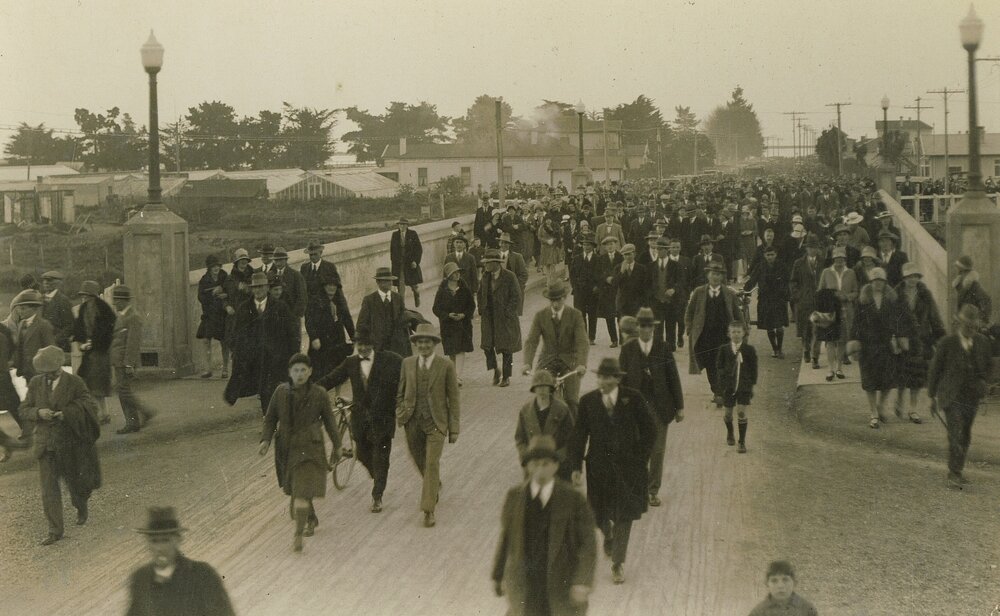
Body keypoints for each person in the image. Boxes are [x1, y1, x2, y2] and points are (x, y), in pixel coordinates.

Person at [567, 357, 656, 585]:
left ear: (617, 379)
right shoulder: (588, 402)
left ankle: (618, 563)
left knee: (624, 514)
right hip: (598, 468)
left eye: (607, 377)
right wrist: (575, 466)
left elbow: (650, 430)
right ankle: (608, 534)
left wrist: (640, 458)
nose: (602, 381)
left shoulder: (633, 399)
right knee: (597, 513)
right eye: (599, 376)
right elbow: (578, 436)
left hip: (628, 469)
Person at [492, 435, 596, 616]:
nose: (540, 470)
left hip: (562, 588)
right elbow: (506, 537)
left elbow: (588, 543)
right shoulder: (515, 497)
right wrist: (498, 574)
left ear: (556, 466)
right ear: (527, 466)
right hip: (525, 588)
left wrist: (582, 581)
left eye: (546, 464)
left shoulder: (573, 500)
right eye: (535, 463)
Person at [19, 345, 101, 545]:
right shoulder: (36, 383)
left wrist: (67, 413)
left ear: (59, 367)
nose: (47, 376)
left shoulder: (75, 382)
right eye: (44, 373)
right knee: (49, 489)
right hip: (45, 445)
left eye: (51, 372)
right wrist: (38, 413)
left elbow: (90, 406)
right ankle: (55, 530)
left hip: (70, 443)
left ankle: (80, 504)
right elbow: (24, 409)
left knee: (75, 483)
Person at [259, 353, 341, 551]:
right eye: (296, 370)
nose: (300, 374)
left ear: (310, 371)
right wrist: (265, 440)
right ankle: (310, 518)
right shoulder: (280, 392)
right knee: (294, 489)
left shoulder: (320, 394)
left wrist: (337, 445)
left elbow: (330, 422)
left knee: (302, 491)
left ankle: (298, 533)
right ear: (289, 372)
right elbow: (270, 418)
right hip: (286, 448)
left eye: (304, 370)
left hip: (310, 448)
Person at [317, 328, 402, 513]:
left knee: (381, 457)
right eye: (360, 344)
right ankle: (377, 474)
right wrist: (310, 388)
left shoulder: (390, 360)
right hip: (360, 419)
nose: (363, 348)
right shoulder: (351, 363)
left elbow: (406, 375)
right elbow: (332, 379)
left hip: (383, 419)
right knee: (363, 454)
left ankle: (377, 495)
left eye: (367, 344)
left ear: (374, 344)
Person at [396, 324, 460, 528]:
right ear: (415, 344)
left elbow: (454, 398)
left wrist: (454, 427)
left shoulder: (446, 365)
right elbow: (401, 390)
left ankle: (428, 509)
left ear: (434, 344)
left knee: (432, 463)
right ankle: (433, 485)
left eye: (427, 342)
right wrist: (400, 411)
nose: (423, 345)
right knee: (419, 459)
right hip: (412, 421)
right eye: (420, 342)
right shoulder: (407, 363)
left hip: (436, 423)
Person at [619, 307, 684, 507]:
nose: (647, 331)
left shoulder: (663, 348)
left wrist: (679, 406)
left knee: (657, 450)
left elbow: (673, 377)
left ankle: (652, 491)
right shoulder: (628, 350)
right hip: (636, 407)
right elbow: (620, 379)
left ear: (654, 329)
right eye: (643, 326)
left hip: (659, 406)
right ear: (637, 328)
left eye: (650, 327)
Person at [126, 506, 236, 616]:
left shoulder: (202, 574)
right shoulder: (140, 579)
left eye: (166, 540)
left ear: (178, 540)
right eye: (154, 541)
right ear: (148, 543)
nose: (159, 548)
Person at [927, 304, 992, 489]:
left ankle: (958, 470)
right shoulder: (946, 343)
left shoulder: (983, 343)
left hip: (971, 397)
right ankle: (953, 472)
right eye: (966, 325)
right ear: (959, 323)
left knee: (966, 434)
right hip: (951, 396)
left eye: (973, 326)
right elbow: (935, 370)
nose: (970, 329)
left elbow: (989, 366)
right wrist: (931, 396)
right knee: (955, 432)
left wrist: (983, 382)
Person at [848, 267, 914, 429]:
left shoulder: (892, 299)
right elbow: (856, 322)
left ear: (885, 282)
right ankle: (873, 413)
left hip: (886, 345)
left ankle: (881, 405)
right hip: (868, 345)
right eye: (875, 280)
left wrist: (899, 337)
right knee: (870, 380)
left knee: (886, 381)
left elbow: (898, 321)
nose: (878, 283)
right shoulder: (863, 300)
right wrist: (854, 340)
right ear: (871, 282)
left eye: (881, 281)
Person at [224, 272, 300, 410]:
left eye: (261, 287)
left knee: (272, 392)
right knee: (263, 392)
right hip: (254, 360)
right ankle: (270, 423)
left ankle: (273, 424)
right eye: (255, 287)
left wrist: (293, 356)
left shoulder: (280, 307)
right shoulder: (244, 308)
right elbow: (236, 334)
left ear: (267, 288)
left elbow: (292, 333)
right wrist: (239, 352)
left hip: (276, 359)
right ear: (252, 289)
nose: (258, 290)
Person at [522, 280, 589, 413]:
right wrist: (527, 363)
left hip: (570, 361)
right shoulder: (540, 316)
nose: (555, 304)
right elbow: (531, 341)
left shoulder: (575, 315)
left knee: (572, 400)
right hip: (548, 360)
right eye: (552, 300)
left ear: (565, 297)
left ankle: (574, 431)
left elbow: (582, 341)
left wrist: (582, 364)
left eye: (558, 299)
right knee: (542, 396)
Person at [894, 262, 946, 424]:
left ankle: (913, 409)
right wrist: (893, 337)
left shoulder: (925, 294)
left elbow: (934, 317)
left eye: (915, 276)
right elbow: (890, 318)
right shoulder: (896, 294)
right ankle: (899, 400)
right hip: (902, 339)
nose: (912, 279)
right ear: (904, 278)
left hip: (921, 341)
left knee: (917, 376)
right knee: (902, 374)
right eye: (909, 276)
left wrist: (940, 338)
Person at [685, 262, 741, 407]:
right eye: (713, 274)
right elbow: (689, 312)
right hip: (706, 336)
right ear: (708, 275)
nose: (715, 277)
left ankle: (722, 391)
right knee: (711, 365)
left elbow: (737, 314)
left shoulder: (729, 293)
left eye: (718, 274)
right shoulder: (699, 292)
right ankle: (717, 392)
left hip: (724, 335)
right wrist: (690, 328)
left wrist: (742, 331)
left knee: (725, 364)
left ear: (722, 276)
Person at [111, 286, 156, 434]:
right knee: (123, 391)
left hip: (125, 362)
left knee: (123, 391)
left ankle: (140, 416)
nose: (114, 303)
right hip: (118, 361)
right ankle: (134, 420)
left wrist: (129, 364)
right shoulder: (122, 316)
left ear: (124, 301)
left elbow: (133, 343)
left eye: (117, 300)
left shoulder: (133, 317)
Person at [515, 371, 575, 482]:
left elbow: (571, 438)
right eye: (539, 387)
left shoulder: (562, 409)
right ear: (534, 389)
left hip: (558, 466)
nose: (542, 391)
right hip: (533, 467)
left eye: (545, 387)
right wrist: (526, 458)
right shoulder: (526, 411)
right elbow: (520, 439)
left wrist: (557, 458)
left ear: (550, 389)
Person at [73, 280, 116, 425]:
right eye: (83, 296)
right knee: (88, 383)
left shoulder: (103, 308)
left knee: (97, 384)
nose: (85, 299)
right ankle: (99, 413)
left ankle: (103, 414)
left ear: (94, 296)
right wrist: (82, 343)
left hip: (100, 351)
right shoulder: (84, 308)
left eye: (88, 296)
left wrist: (95, 343)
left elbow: (108, 330)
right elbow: (79, 327)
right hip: (89, 351)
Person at [479, 249, 522, 387]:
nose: (485, 265)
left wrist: (508, 312)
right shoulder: (485, 276)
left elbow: (516, 296)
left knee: (506, 348)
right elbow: (480, 294)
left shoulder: (509, 276)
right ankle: (495, 370)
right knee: (487, 346)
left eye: (487, 263)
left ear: (496, 263)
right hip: (489, 316)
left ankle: (506, 376)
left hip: (505, 318)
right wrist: (481, 308)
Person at [305, 270, 355, 381]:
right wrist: (314, 337)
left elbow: (347, 319)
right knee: (319, 372)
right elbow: (309, 321)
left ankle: (338, 395)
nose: (331, 288)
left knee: (338, 371)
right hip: (321, 341)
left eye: (334, 286)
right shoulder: (315, 301)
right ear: (324, 287)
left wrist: (354, 337)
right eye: (329, 285)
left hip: (337, 340)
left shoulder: (340, 301)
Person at [717, 321, 758, 453]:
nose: (736, 335)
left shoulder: (749, 350)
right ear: (729, 334)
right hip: (728, 387)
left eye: (739, 332)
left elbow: (754, 369)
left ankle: (742, 442)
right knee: (728, 414)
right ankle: (730, 432)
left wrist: (751, 385)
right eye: (733, 332)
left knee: (741, 412)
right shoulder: (724, 349)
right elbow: (719, 367)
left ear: (744, 333)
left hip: (744, 387)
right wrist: (724, 379)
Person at [744, 245, 790, 359]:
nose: (770, 257)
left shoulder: (782, 266)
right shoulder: (760, 267)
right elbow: (752, 280)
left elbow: (787, 281)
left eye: (772, 254)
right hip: (765, 299)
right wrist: (745, 291)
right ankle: (774, 348)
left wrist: (786, 294)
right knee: (769, 325)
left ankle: (779, 348)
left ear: (776, 254)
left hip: (779, 299)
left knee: (779, 325)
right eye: (768, 255)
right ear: (764, 255)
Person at [433, 262, 476, 385]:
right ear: (448, 275)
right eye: (454, 273)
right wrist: (447, 315)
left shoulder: (464, 288)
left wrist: (464, 315)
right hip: (448, 326)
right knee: (452, 351)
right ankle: (454, 375)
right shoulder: (442, 290)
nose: (457, 275)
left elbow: (471, 305)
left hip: (463, 325)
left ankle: (457, 376)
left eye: (458, 272)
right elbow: (436, 308)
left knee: (461, 349)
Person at [818, 247, 859, 368]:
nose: (839, 261)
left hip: (846, 310)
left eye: (841, 258)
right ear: (833, 259)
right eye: (837, 258)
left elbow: (856, 292)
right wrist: (831, 296)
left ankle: (839, 367)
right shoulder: (826, 272)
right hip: (831, 310)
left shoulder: (851, 273)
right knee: (830, 340)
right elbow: (820, 291)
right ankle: (831, 369)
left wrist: (846, 297)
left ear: (845, 259)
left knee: (842, 340)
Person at [356, 267, 410, 357]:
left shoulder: (398, 298)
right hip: (378, 347)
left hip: (397, 347)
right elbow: (361, 324)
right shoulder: (369, 300)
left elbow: (403, 320)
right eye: (385, 281)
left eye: (390, 280)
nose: (389, 283)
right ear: (378, 282)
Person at [6, 289, 55, 385]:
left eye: (23, 308)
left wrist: (48, 371)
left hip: (39, 371)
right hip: (26, 370)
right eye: (19, 308)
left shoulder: (43, 325)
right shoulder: (21, 324)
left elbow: (51, 349)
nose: (20, 311)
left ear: (34, 309)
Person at [196, 255, 231, 379]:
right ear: (209, 268)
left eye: (217, 266)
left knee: (224, 342)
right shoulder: (204, 280)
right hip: (209, 315)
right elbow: (200, 297)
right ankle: (207, 369)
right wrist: (212, 294)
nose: (216, 268)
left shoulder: (225, 277)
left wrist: (223, 293)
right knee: (206, 340)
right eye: (213, 266)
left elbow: (231, 291)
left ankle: (225, 369)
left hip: (222, 314)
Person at [789, 236, 822, 364]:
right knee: (805, 329)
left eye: (815, 247)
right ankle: (806, 350)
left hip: (818, 302)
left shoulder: (823, 262)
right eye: (810, 247)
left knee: (818, 329)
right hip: (804, 302)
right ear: (806, 248)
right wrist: (798, 295)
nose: (812, 250)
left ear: (818, 249)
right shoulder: (798, 263)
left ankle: (815, 357)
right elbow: (793, 282)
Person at [747, 560, 818, 616]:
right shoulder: (758, 612)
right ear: (767, 584)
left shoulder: (807, 609)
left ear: (795, 582)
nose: (780, 586)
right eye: (774, 581)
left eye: (785, 580)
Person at [569, 234, 600, 345]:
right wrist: (574, 286)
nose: (586, 247)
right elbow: (572, 274)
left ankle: (591, 337)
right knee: (580, 315)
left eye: (589, 245)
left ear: (593, 247)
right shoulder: (577, 258)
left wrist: (597, 286)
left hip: (593, 291)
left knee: (592, 315)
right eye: (585, 245)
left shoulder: (598, 259)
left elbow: (601, 275)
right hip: (579, 291)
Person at [593, 236, 623, 348]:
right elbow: (597, 274)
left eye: (612, 244)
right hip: (606, 291)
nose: (610, 247)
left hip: (619, 290)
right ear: (605, 247)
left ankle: (622, 339)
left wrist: (615, 279)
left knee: (621, 315)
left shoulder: (621, 257)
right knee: (609, 316)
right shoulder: (601, 258)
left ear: (616, 245)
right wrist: (606, 279)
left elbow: (624, 271)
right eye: (607, 245)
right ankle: (614, 339)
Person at [269, 246, 308, 330]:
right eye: (276, 260)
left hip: (292, 319)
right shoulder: (270, 275)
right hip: (274, 319)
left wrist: (293, 316)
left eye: (280, 260)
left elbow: (302, 298)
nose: (278, 263)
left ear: (286, 260)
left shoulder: (295, 275)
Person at [391, 218, 424, 307]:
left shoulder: (412, 234)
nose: (401, 226)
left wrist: (415, 261)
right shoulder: (395, 235)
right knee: (400, 285)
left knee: (413, 285)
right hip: (399, 264)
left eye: (403, 224)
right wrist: (394, 264)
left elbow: (419, 249)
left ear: (407, 225)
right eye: (400, 224)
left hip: (410, 263)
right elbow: (392, 251)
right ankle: (402, 306)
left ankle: (416, 294)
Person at [614, 243, 650, 324]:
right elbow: (614, 283)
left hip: (637, 304)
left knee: (635, 330)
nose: (627, 257)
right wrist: (622, 272)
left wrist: (644, 305)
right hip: (623, 304)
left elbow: (645, 287)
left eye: (629, 254)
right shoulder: (618, 268)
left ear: (634, 254)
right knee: (623, 329)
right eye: (625, 255)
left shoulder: (642, 268)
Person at [40, 270, 74, 354]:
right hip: (40, 343)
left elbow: (70, 326)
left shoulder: (63, 300)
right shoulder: (39, 299)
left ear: (58, 283)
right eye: (44, 281)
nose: (46, 283)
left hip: (57, 344)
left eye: (49, 281)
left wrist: (55, 340)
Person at [952, 255, 992, 324]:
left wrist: (980, 320)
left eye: (960, 270)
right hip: (963, 325)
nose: (959, 273)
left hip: (973, 326)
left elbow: (987, 300)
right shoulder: (961, 287)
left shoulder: (974, 286)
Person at [300, 240, 340, 307]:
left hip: (325, 308)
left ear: (321, 253)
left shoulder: (330, 267)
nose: (313, 257)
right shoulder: (304, 268)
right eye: (311, 255)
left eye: (315, 254)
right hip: (310, 309)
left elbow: (337, 289)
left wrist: (334, 305)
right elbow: (302, 288)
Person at [499, 232, 529, 315]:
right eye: (502, 242)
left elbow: (524, 274)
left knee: (512, 318)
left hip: (512, 293)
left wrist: (516, 286)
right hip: (498, 293)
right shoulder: (495, 256)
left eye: (506, 243)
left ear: (509, 244)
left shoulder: (517, 257)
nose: (503, 245)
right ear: (499, 243)